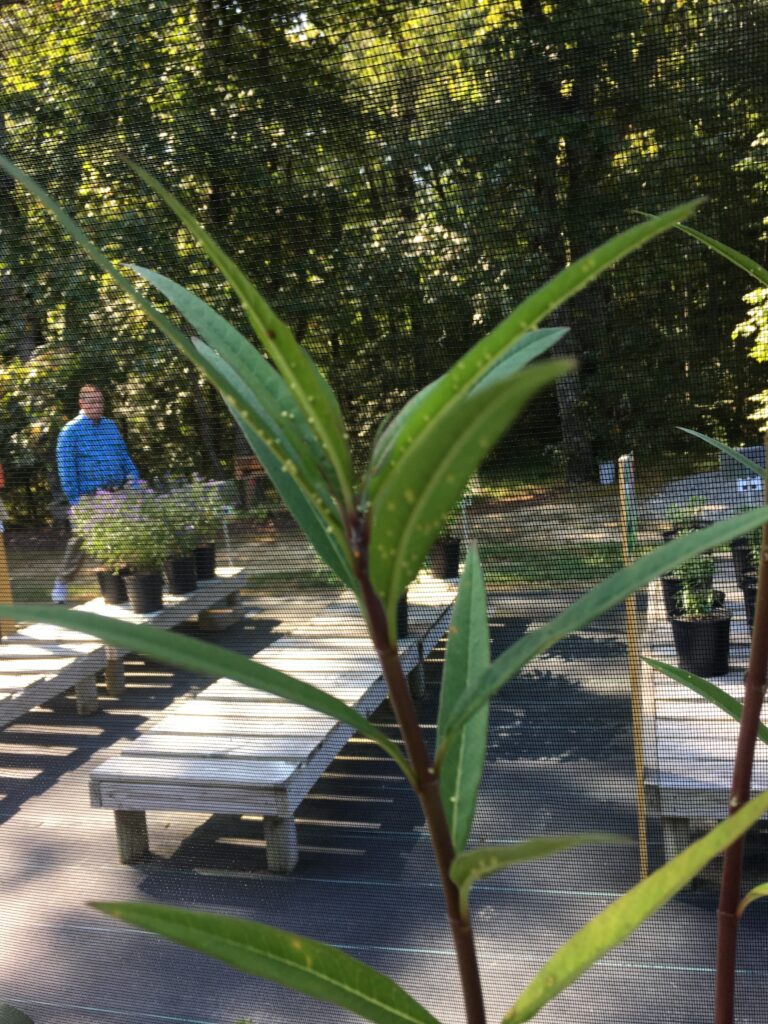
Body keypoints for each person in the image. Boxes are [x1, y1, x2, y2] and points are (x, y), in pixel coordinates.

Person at [51, 384, 139, 603]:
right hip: (89, 497)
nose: (97, 406)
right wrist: (76, 502)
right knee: (81, 541)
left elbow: (123, 455)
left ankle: (123, 585)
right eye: (92, 402)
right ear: (82, 404)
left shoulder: (110, 426)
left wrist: (134, 480)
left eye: (100, 402)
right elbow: (66, 470)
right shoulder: (70, 432)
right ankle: (62, 582)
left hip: (118, 491)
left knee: (124, 537)